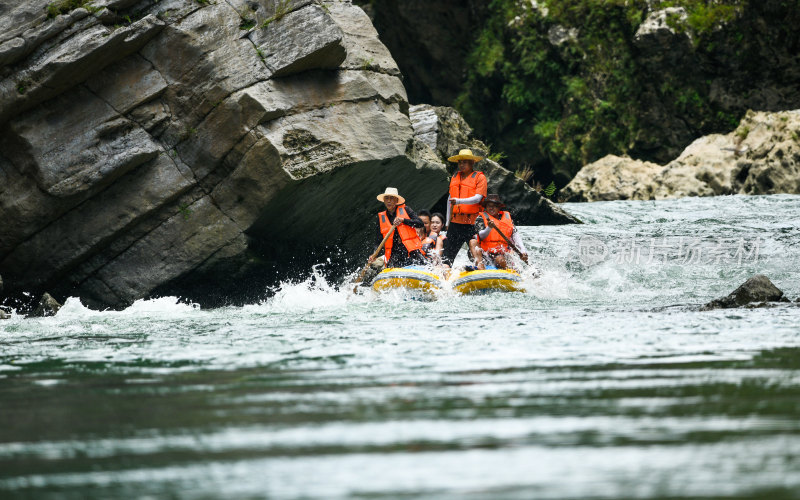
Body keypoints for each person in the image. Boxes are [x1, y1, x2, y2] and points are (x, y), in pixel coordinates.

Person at [442, 149, 488, 266]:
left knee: (475, 251)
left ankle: (481, 269)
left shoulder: (480, 177)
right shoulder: (455, 177)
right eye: (460, 162)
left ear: (472, 163)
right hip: (455, 222)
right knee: (447, 256)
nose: (461, 165)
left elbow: (478, 198)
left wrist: (459, 201)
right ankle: (445, 276)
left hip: (472, 223)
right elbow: (450, 200)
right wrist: (447, 222)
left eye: (465, 162)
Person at [369, 187, 426, 268]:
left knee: (424, 264)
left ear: (396, 200)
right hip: (394, 253)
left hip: (411, 250)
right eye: (386, 198)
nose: (389, 201)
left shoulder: (406, 209)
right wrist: (374, 253)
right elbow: (378, 240)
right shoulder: (381, 218)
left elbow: (420, 223)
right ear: (384, 201)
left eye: (391, 198)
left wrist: (403, 220)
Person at [469, 194, 529, 270]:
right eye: (489, 206)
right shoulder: (480, 217)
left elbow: (515, 235)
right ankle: (480, 266)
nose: (491, 208)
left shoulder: (507, 218)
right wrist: (489, 228)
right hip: (484, 253)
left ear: (499, 207)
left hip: (501, 253)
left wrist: (523, 251)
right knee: (472, 241)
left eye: (494, 206)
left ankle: (508, 270)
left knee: (500, 260)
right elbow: (481, 236)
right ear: (486, 207)